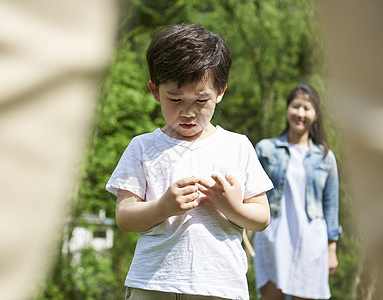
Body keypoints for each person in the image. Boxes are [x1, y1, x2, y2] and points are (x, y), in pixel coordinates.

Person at [106, 24, 273, 300]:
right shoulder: (144, 147)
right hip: (154, 282)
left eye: (200, 100)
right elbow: (124, 217)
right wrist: (163, 207)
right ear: (154, 91)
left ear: (220, 91)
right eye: (175, 98)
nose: (188, 111)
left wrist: (230, 205)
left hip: (219, 286)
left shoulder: (237, 146)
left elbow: (261, 218)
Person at [253, 83, 341, 300]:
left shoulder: (325, 157)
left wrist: (332, 251)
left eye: (307, 108)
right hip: (273, 235)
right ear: (287, 109)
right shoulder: (266, 149)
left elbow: (330, 204)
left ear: (316, 114)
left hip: (311, 238)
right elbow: (251, 193)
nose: (300, 113)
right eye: (295, 106)